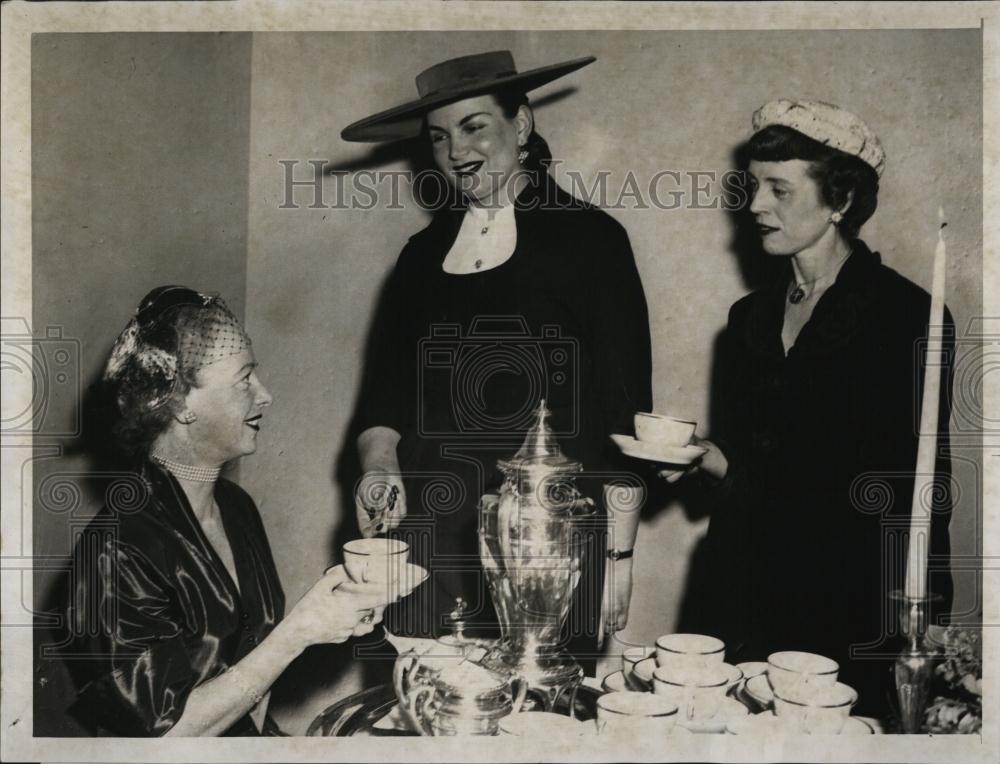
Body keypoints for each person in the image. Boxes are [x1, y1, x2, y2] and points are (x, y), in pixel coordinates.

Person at [341, 51, 652, 658]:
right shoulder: (419, 258)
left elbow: (627, 419)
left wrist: (620, 555)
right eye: (439, 136)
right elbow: (384, 397)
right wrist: (378, 464)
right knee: (429, 715)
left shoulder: (593, 241)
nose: (456, 151)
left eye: (474, 126)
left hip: (547, 545)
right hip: (432, 535)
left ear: (523, 124)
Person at [664, 100, 953, 718]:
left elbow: (916, 485)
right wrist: (704, 458)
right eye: (753, 187)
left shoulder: (906, 316)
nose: (755, 206)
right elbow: (750, 455)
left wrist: (926, 617)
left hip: (845, 604)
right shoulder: (748, 321)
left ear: (840, 200)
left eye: (779, 190)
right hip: (740, 590)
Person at [68, 286, 410, 736]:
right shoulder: (117, 549)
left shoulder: (236, 507)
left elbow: (249, 680)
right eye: (244, 379)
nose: (265, 395)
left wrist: (332, 604)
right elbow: (162, 738)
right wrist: (299, 632)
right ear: (181, 403)